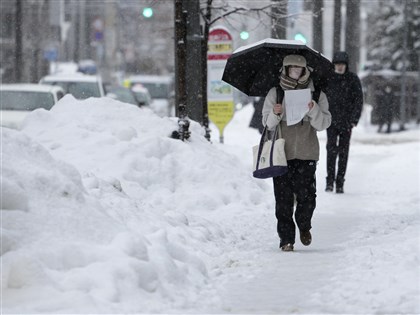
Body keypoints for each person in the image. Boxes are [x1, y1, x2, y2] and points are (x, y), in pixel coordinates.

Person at [262, 55, 331, 252]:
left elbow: (324, 123)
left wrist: (313, 109)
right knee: (282, 200)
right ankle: (286, 240)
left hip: (307, 154)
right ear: (284, 69)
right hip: (281, 154)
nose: (295, 72)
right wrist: (275, 113)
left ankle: (304, 225)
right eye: (291, 68)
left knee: (307, 197)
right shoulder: (275, 93)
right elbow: (266, 124)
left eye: (298, 69)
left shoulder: (316, 94)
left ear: (305, 71)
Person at [324, 51, 363, 194]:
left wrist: (354, 119)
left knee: (343, 153)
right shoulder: (329, 79)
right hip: (331, 121)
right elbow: (322, 98)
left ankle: (340, 182)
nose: (340, 67)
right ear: (334, 65)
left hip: (346, 122)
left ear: (346, 65)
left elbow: (358, 100)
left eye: (342, 64)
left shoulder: (353, 79)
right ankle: (329, 181)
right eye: (337, 64)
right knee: (331, 151)